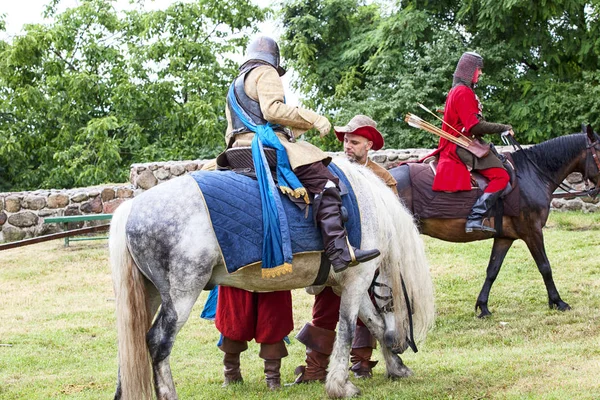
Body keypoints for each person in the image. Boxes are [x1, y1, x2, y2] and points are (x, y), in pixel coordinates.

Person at [214, 37, 380, 389]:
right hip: (267, 148)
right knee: (327, 182)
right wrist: (313, 118)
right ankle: (338, 249)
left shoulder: (235, 84)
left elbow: (232, 129)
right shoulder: (267, 73)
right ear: (273, 60)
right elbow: (274, 111)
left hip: (236, 153)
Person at [293, 115, 397, 383]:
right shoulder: (333, 171)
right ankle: (315, 367)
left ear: (369, 145)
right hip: (334, 256)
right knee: (324, 309)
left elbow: (392, 226)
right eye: (346, 141)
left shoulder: (382, 179)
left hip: (368, 257)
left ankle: (361, 363)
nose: (348, 146)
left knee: (367, 309)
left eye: (355, 141)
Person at [432, 51, 514, 234]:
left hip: (464, 142)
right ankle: (475, 217)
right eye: (479, 70)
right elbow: (474, 125)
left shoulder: (457, 91)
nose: (481, 74)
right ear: (470, 70)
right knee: (502, 176)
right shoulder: (463, 92)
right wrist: (503, 127)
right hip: (461, 145)